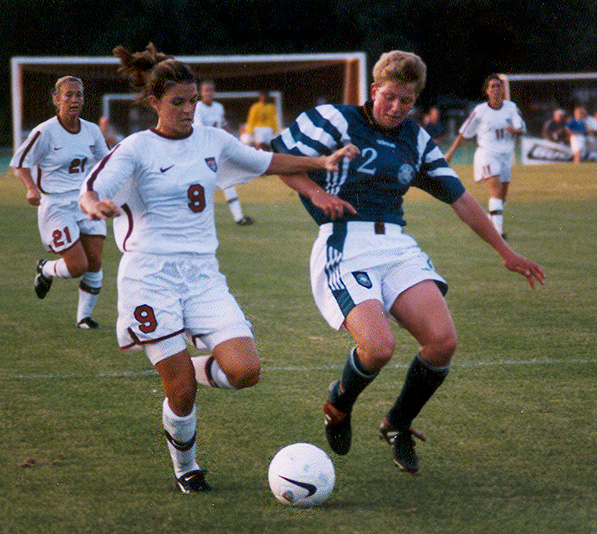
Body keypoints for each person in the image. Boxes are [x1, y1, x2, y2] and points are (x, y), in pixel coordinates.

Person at [79, 43, 358, 494]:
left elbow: (265, 161)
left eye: (192, 100)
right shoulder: (136, 149)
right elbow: (94, 187)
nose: (190, 110)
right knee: (182, 393)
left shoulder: (211, 139)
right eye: (178, 103)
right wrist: (95, 204)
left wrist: (319, 162)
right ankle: (186, 466)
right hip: (149, 278)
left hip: (204, 276)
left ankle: (182, 365)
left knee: (245, 371)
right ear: (154, 103)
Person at [271, 50, 544, 475]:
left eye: (407, 101)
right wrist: (315, 192)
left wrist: (505, 252)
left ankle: (397, 423)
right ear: (374, 89)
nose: (397, 108)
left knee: (442, 343)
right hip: (345, 243)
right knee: (379, 348)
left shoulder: (415, 139)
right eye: (390, 97)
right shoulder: (333, 120)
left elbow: (461, 198)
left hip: (396, 246)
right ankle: (339, 405)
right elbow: (279, 160)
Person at [10, 76, 110, 329]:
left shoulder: (92, 130)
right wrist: (31, 188)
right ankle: (46, 269)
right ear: (57, 100)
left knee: (95, 261)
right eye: (69, 95)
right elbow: (20, 161)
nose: (75, 99)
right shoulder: (45, 131)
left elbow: (107, 163)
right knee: (77, 266)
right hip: (56, 205)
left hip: (85, 201)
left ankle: (83, 318)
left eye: (79, 95)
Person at [445, 74, 526, 238]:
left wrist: (515, 130)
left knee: (501, 197)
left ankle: (489, 220)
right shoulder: (480, 110)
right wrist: (450, 153)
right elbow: (464, 133)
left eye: (499, 86)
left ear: (503, 89)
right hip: (487, 154)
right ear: (487, 91)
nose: (496, 89)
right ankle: (498, 232)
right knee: (496, 189)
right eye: (493, 87)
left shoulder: (511, 107)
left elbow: (521, 128)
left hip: (505, 155)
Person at [194, 79, 253, 225]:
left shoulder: (218, 107)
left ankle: (239, 217)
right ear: (201, 93)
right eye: (206, 90)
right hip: (202, 151)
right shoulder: (198, 108)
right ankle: (197, 218)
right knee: (204, 184)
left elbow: (223, 125)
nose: (209, 93)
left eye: (211, 90)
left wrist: (233, 139)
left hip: (217, 151)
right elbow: (200, 130)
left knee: (227, 182)